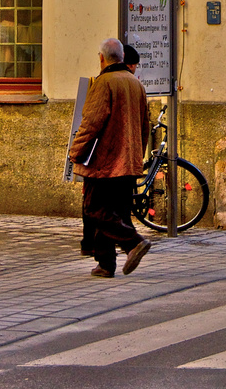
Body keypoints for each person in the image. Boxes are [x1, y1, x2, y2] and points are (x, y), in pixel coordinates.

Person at [69, 37, 152, 278]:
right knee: (115, 212)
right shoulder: (135, 84)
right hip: (128, 161)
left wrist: (76, 152)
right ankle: (105, 264)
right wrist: (137, 153)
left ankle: (133, 242)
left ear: (102, 58)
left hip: (104, 162)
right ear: (123, 59)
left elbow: (91, 123)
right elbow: (144, 126)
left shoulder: (104, 83)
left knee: (94, 209)